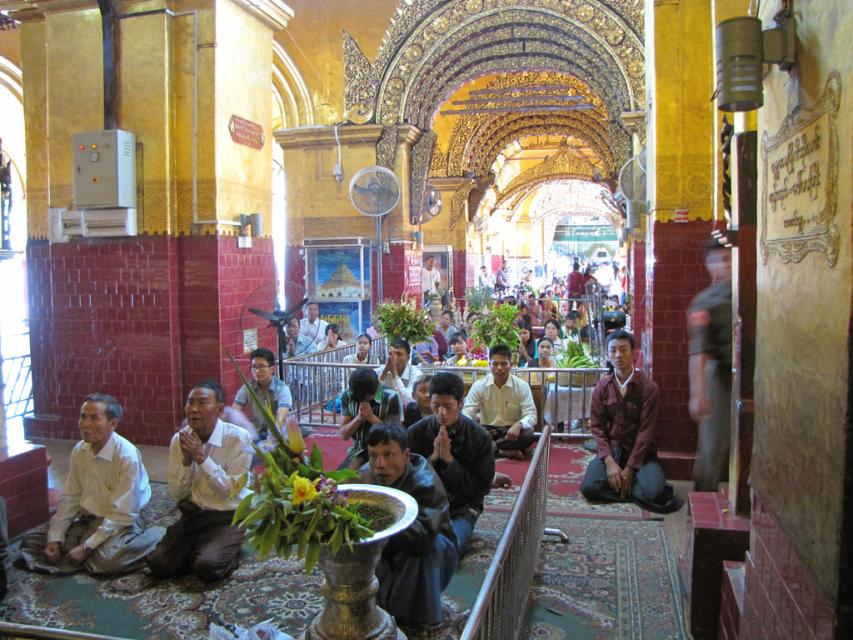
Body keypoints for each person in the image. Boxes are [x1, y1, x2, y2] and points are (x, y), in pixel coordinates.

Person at [17, 394, 163, 575]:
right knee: (31, 541)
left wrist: (87, 547)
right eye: (83, 417)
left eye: (94, 418)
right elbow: (70, 497)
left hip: (122, 519)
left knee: (106, 562)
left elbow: (123, 513)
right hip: (89, 519)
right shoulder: (80, 451)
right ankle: (89, 552)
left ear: (113, 424)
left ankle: (157, 538)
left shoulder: (127, 456)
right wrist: (55, 538)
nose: (85, 424)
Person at [147, 380, 253, 582]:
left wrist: (202, 459)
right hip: (194, 515)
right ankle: (205, 548)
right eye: (190, 402)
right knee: (158, 565)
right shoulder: (180, 440)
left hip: (228, 516)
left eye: (202, 403)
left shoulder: (239, 438)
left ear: (220, 410)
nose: (194, 409)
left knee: (207, 568)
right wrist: (187, 463)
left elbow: (229, 491)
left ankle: (226, 548)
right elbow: (177, 495)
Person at [360, 422, 459, 631]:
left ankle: (428, 621)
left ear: (406, 455)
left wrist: (374, 510)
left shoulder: (425, 483)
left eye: (389, 455)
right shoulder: (366, 475)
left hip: (431, 555)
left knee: (426, 550)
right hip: (388, 548)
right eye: (373, 456)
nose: (380, 464)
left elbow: (421, 537)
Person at [580, 331, 682, 513]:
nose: (618, 355)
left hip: (642, 453)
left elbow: (646, 433)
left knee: (655, 493)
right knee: (589, 488)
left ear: (633, 353)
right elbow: (597, 427)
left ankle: (631, 485)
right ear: (607, 355)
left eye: (623, 349)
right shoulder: (602, 387)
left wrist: (629, 469)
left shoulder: (648, 388)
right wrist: (609, 462)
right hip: (612, 451)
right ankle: (635, 491)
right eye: (613, 350)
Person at [408, 372, 495, 555]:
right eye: (436, 405)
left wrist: (450, 461)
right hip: (424, 505)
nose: (441, 413)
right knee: (405, 545)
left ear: (460, 403)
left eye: (448, 406)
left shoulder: (479, 437)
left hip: (462, 508)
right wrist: (431, 460)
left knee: (446, 549)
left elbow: (480, 489)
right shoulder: (416, 432)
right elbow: (407, 480)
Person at [688, 238, 733, 492]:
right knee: (712, 445)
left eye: (730, 258)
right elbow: (699, 351)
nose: (727, 264)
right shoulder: (705, 302)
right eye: (721, 259)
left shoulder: (753, 290)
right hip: (720, 375)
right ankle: (703, 495)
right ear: (709, 265)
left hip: (752, 376)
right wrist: (699, 394)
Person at [462, 344, 537, 459]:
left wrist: (519, 424)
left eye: (504, 364)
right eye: (495, 364)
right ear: (489, 365)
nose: (499, 368)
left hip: (511, 432)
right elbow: (467, 412)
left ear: (510, 365)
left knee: (528, 435)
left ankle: (489, 448)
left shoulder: (522, 386)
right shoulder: (479, 385)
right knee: (467, 434)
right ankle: (503, 451)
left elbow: (531, 414)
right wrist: (470, 428)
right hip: (487, 430)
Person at [339, 368, 402, 469]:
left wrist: (371, 418)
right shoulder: (348, 395)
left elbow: (397, 435)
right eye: (358, 400)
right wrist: (359, 418)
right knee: (338, 478)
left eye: (364, 398)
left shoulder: (391, 397)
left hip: (386, 450)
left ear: (375, 391)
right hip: (357, 450)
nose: (361, 401)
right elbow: (344, 435)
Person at [233, 347, 294, 441]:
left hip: (279, 434)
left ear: (272, 369)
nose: (257, 371)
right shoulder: (247, 388)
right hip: (256, 433)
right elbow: (235, 410)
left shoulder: (282, 389)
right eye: (254, 367)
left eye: (261, 366)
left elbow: (281, 418)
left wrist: (273, 437)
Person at [376, 338, 423, 405]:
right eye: (391, 354)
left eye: (399, 354)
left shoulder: (416, 374)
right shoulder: (379, 371)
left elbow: (407, 401)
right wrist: (385, 371)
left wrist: (394, 373)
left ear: (408, 358)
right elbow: (372, 396)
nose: (394, 357)